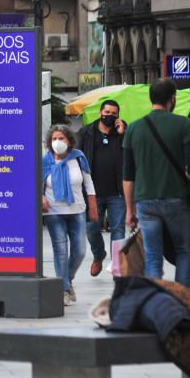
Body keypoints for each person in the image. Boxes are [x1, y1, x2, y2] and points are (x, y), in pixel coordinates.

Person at [123, 79, 190, 287]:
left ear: (150, 98)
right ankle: (182, 299)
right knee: (183, 250)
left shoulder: (134, 128)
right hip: (176, 199)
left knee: (153, 254)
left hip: (145, 201)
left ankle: (157, 302)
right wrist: (187, 180)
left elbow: (128, 175)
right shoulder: (183, 124)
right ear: (172, 99)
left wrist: (129, 210)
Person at [42, 125, 97, 306]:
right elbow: (36, 183)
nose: (58, 142)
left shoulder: (78, 158)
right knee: (61, 251)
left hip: (77, 211)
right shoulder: (46, 161)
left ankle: (68, 279)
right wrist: (41, 198)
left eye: (62, 138)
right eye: (55, 139)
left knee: (80, 251)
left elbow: (88, 184)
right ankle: (64, 289)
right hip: (54, 212)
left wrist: (93, 207)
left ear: (69, 141)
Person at [76, 99, 126, 277]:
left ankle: (117, 265)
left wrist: (122, 134)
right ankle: (99, 255)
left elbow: (130, 155)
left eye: (114, 114)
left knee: (118, 229)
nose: (110, 117)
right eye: (107, 113)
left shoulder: (122, 133)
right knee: (91, 228)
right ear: (100, 113)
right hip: (92, 193)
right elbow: (75, 157)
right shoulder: (86, 133)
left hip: (117, 192)